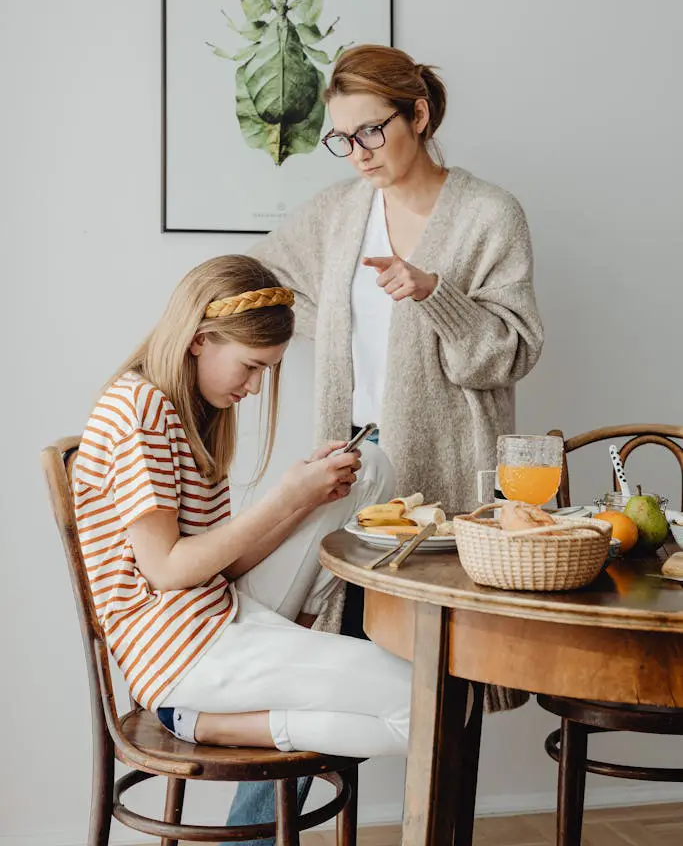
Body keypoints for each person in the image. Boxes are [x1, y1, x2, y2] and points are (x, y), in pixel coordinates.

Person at [227, 44, 544, 836]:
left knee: (439, 674)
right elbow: (255, 276)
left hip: (444, 482)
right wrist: (202, 333)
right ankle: (251, 834)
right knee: (314, 657)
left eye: (370, 132)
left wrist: (436, 294)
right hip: (349, 475)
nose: (357, 153)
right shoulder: (338, 213)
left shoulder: (486, 214)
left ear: (420, 116)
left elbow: (508, 354)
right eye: (341, 138)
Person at [72, 254, 411, 757]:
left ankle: (284, 646)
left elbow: (220, 566)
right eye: (251, 366)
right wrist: (285, 498)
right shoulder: (138, 409)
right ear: (199, 338)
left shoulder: (189, 410)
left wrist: (305, 502)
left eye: (266, 371)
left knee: (370, 466)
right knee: (425, 699)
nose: (254, 387)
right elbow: (165, 570)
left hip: (215, 609)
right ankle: (209, 723)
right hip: (178, 650)